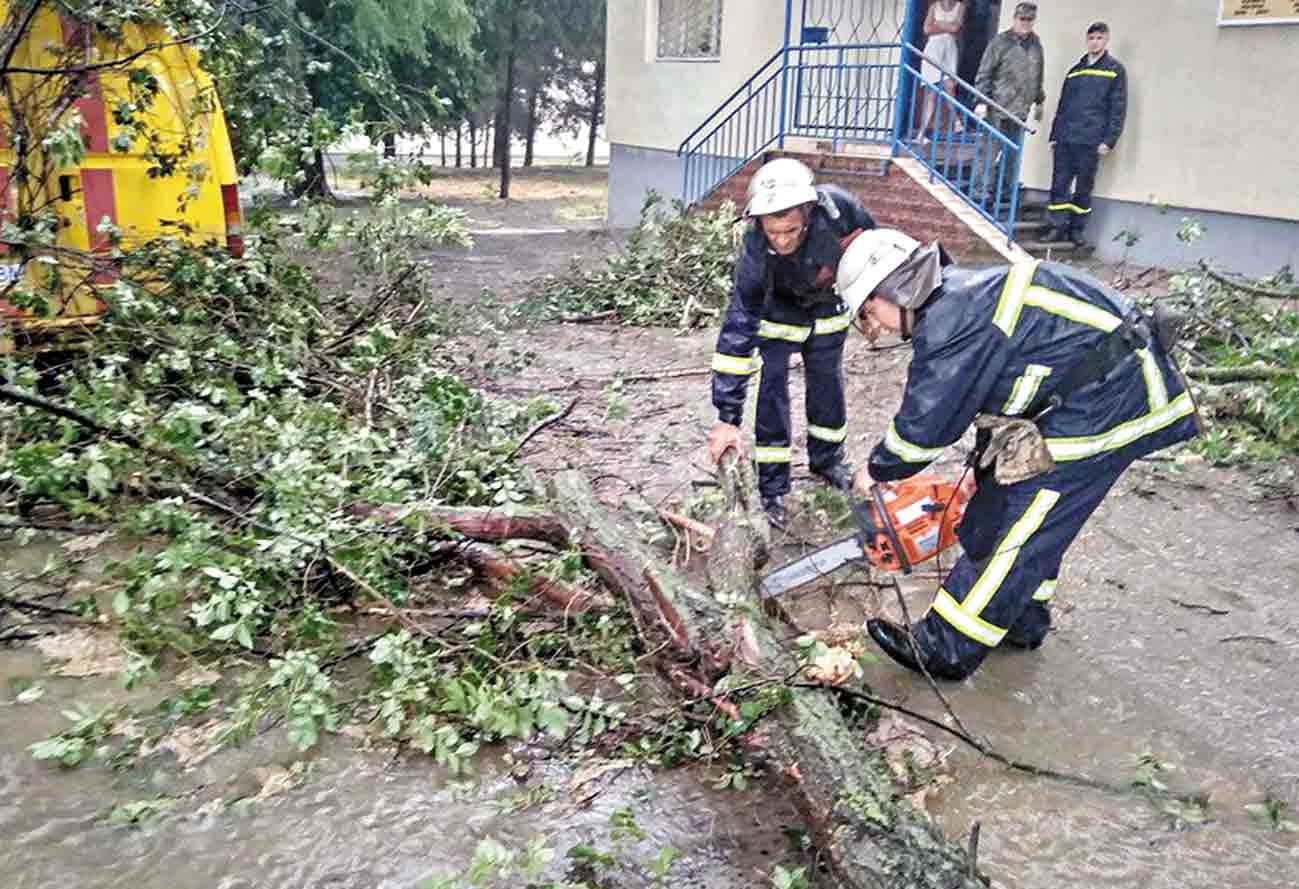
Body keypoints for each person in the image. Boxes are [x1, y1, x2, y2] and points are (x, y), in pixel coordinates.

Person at [834, 228, 1200, 680]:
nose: (878, 327)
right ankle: (1021, 617)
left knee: (1024, 515)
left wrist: (876, 470)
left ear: (894, 290)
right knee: (1004, 501)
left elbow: (923, 429)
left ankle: (946, 646)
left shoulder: (950, 321)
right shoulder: (963, 298)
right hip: (1090, 390)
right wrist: (980, 466)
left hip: (1112, 397)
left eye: (871, 312)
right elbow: (1005, 390)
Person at [707, 157, 876, 527]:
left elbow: (874, 254)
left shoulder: (840, 211)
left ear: (808, 210)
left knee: (828, 387)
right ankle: (772, 487)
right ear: (758, 223)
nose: (782, 240)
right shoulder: (754, 253)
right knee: (772, 394)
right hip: (779, 315)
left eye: (791, 230)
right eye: (773, 233)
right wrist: (726, 417)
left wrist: (869, 307)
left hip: (827, 307)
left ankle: (828, 461)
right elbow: (738, 326)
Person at [1043, 22, 1128, 244]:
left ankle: (1076, 230)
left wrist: (1109, 140)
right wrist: (1054, 135)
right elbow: (1063, 105)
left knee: (1084, 186)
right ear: (1087, 40)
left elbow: (1118, 108)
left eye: (1099, 38)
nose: (1095, 42)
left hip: (1091, 139)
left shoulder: (1114, 70)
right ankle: (1057, 227)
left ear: (1106, 40)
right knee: (1059, 183)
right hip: (1066, 137)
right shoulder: (1075, 71)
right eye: (1091, 38)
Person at [972, 1, 1045, 205]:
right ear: (1015, 19)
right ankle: (981, 193)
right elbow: (984, 73)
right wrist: (981, 100)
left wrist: (1039, 100)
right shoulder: (1000, 42)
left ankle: (1004, 192)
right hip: (997, 106)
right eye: (1022, 19)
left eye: (1030, 20)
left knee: (1012, 156)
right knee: (989, 151)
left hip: (1020, 110)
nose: (1026, 23)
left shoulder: (1036, 44)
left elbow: (1037, 74)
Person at [916, 1, 966, 145]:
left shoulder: (959, 7)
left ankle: (957, 122)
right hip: (933, 49)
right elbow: (927, 29)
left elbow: (956, 27)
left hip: (949, 49)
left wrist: (938, 25)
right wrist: (947, 26)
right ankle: (922, 132)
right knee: (930, 92)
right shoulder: (934, 6)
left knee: (950, 87)